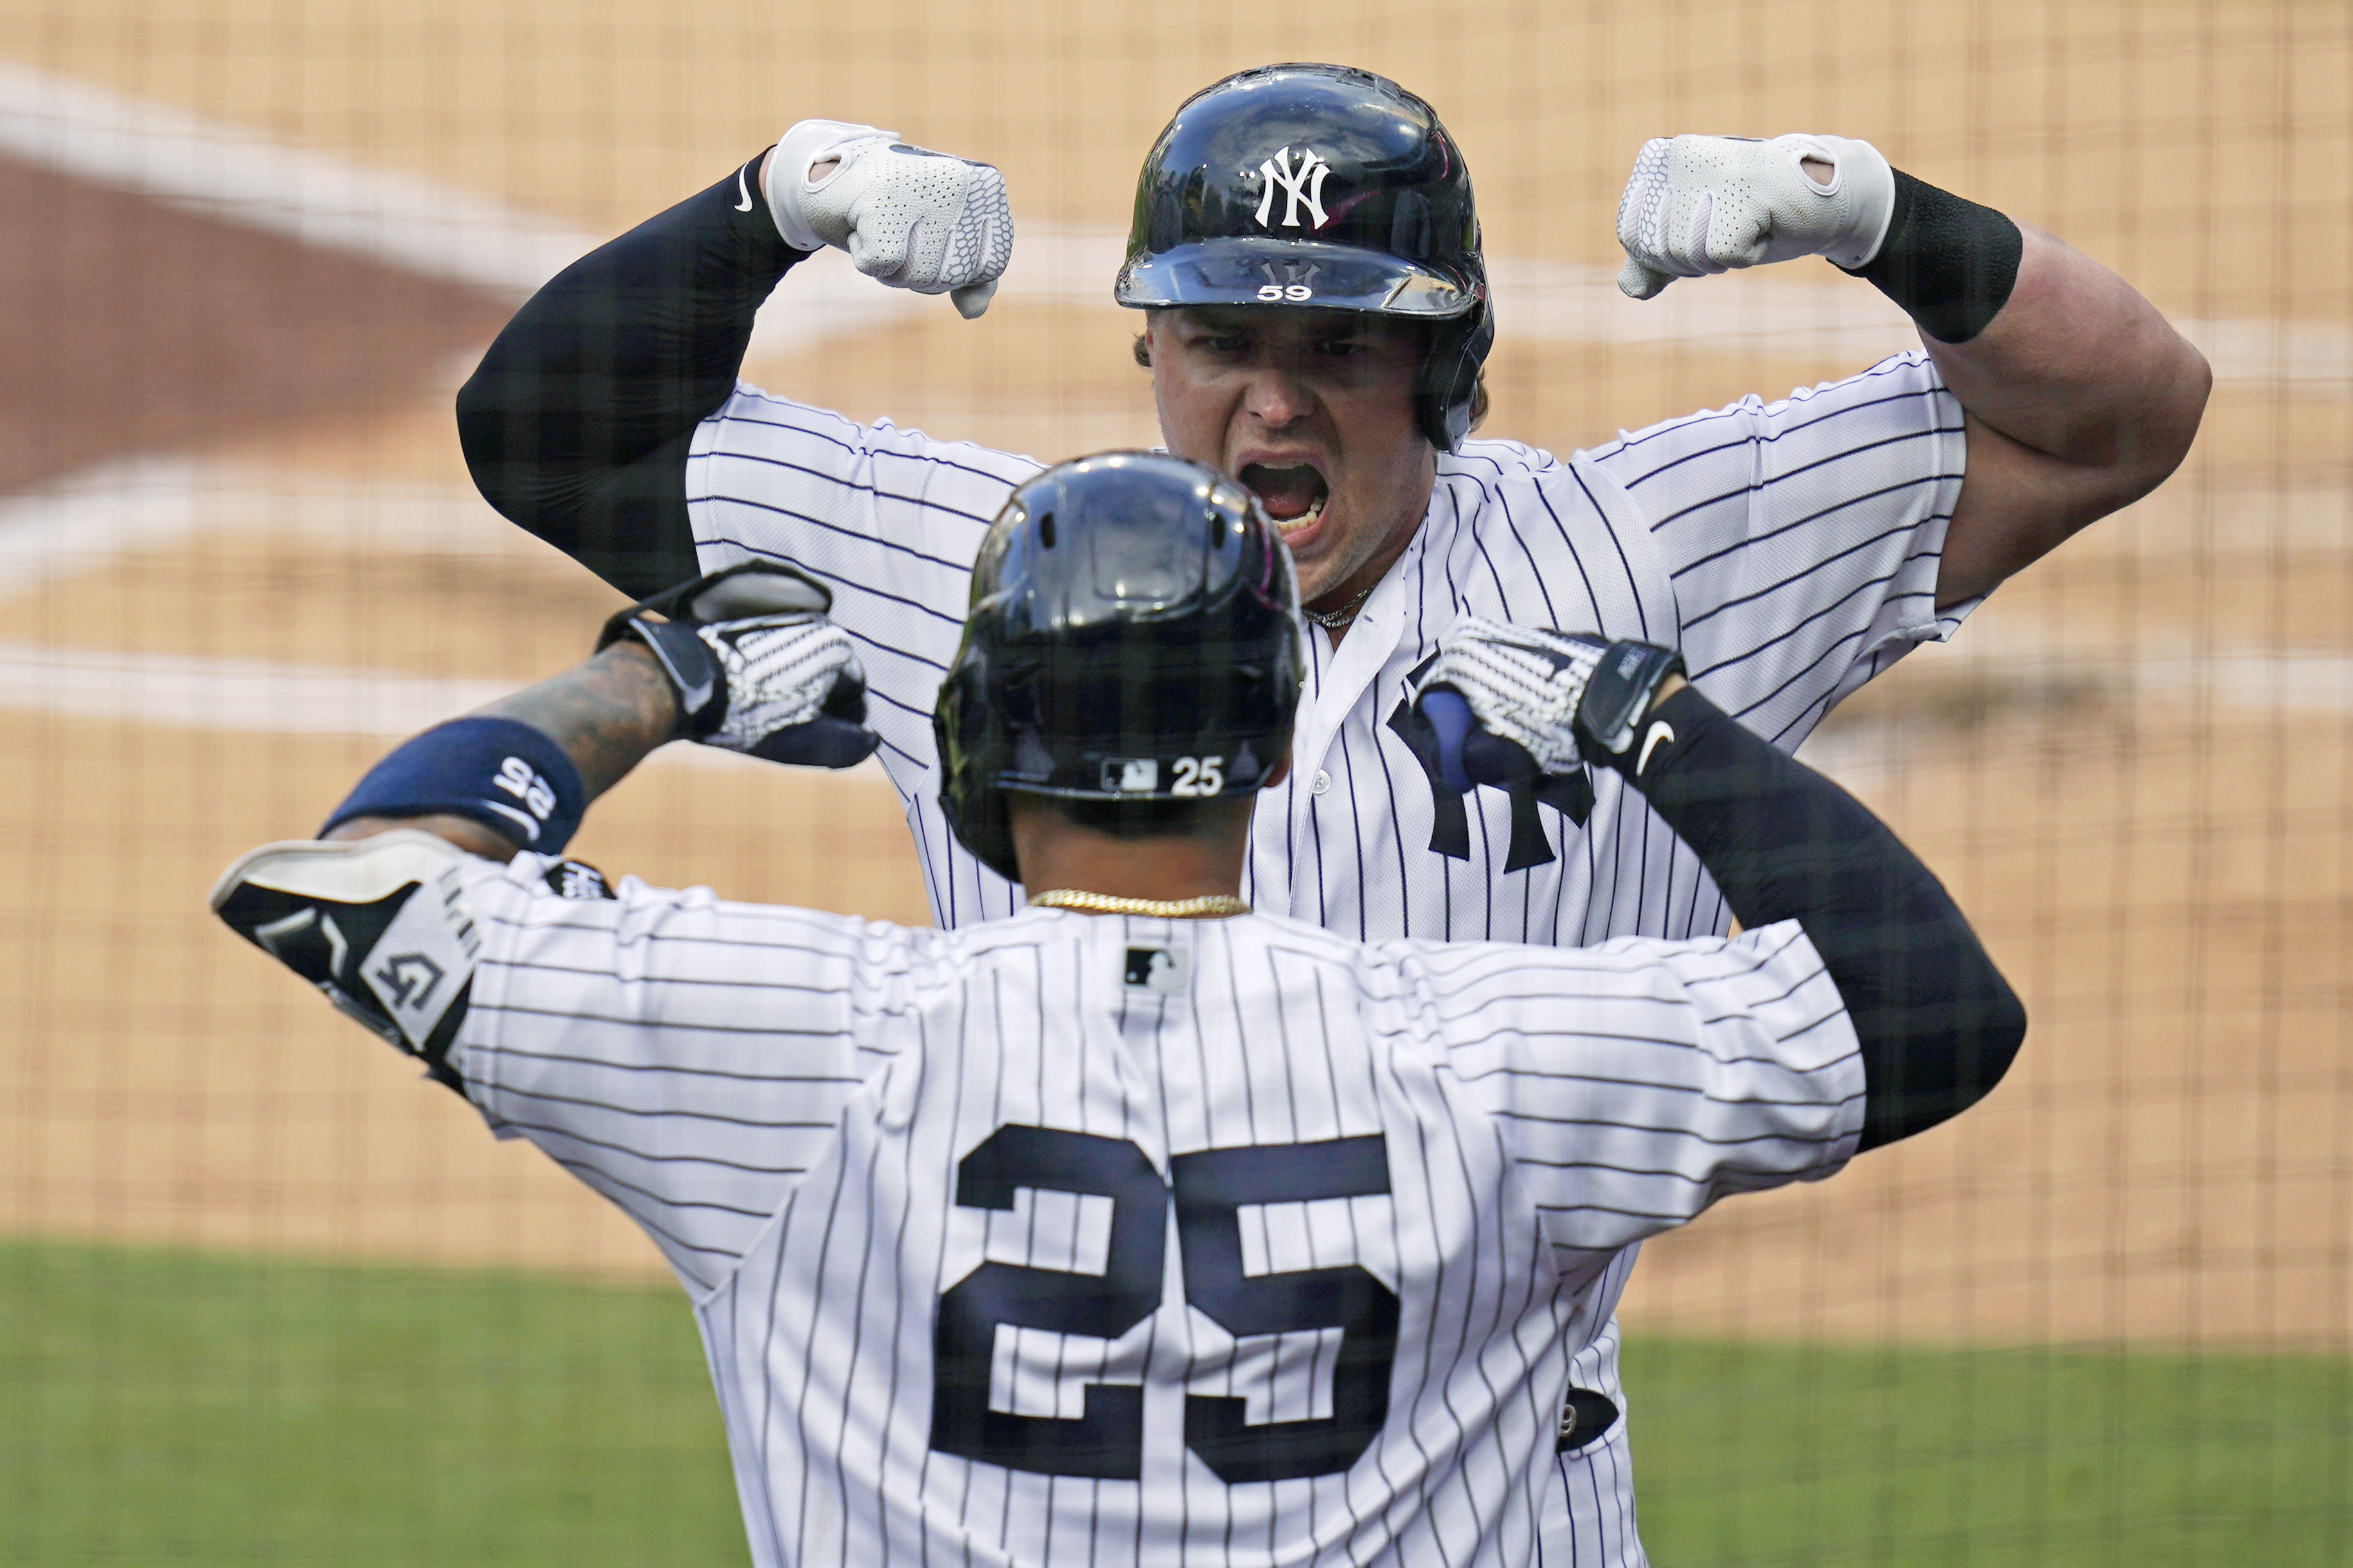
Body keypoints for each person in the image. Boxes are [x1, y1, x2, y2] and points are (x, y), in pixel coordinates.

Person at [450, 62, 2192, 1560]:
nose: (1269, 403)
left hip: (1484, 1501)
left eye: (1338, 347)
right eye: (1217, 340)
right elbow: (542, 435)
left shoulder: (1644, 556)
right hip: (1039, 1490)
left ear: (1444, 361)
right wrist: (769, 202)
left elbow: (2119, 411)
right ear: (1151, 341)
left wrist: (1875, 211)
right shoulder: (1022, 568)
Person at [215, 453, 2024, 1568]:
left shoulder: (797, 1043)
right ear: (1273, 740)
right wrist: (1652, 725)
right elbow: (1934, 1010)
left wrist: (655, 676)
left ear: (977, 737)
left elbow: (357, 878)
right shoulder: (1487, 1061)